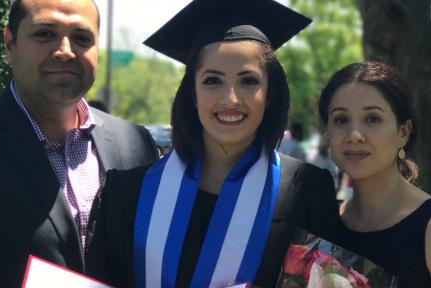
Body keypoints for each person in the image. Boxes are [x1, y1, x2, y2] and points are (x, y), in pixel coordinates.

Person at [88, 0, 339, 287]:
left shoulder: (307, 192)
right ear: (193, 94)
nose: (230, 98)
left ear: (269, 94)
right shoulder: (127, 192)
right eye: (212, 81)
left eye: (248, 81)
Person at [0, 0, 158, 287]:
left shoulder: (136, 145)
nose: (65, 51)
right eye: (45, 34)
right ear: (9, 44)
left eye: (82, 38)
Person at [318, 61, 431, 287]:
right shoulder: (322, 222)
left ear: (403, 132)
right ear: (327, 132)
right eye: (341, 120)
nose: (354, 135)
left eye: (372, 119)